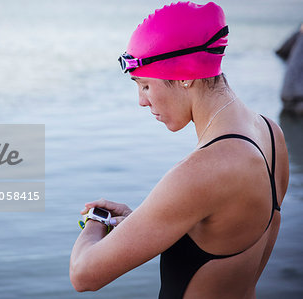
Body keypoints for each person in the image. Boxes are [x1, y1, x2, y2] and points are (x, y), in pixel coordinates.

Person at [69, 2, 289, 298]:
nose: (141, 101)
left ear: (185, 75)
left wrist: (95, 220)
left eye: (145, 85)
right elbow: (224, 235)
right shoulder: (271, 134)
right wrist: (142, 221)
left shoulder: (201, 172)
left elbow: (83, 274)